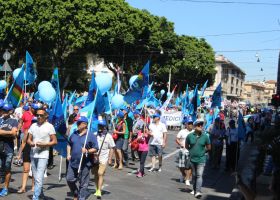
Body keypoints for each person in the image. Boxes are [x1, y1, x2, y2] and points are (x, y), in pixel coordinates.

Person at [27, 108, 57, 200]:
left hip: (44, 155)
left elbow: (54, 141)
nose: (39, 117)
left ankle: (35, 197)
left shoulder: (49, 126)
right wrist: (30, 143)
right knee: (36, 177)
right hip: (33, 154)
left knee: (39, 177)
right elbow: (28, 139)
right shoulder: (33, 125)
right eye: (37, 115)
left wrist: (45, 144)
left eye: (41, 115)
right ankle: (41, 194)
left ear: (45, 116)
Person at [67, 116, 98, 200]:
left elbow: (96, 148)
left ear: (85, 124)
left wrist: (87, 151)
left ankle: (82, 197)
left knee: (83, 183)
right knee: (69, 179)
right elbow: (69, 144)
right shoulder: (74, 133)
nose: (77, 124)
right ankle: (76, 193)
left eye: (79, 123)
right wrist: (68, 154)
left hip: (85, 163)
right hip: (73, 161)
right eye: (77, 122)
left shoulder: (90, 135)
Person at [185, 119, 211, 198]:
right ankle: (195, 189)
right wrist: (192, 151)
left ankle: (198, 191)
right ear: (195, 126)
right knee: (194, 175)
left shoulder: (205, 136)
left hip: (201, 159)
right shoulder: (189, 136)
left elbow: (209, 147)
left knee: (199, 175)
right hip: (192, 159)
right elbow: (186, 145)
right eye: (199, 125)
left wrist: (203, 152)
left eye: (201, 125)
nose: (201, 126)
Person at [16, 103, 37, 193]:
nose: (33, 124)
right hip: (27, 150)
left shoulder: (39, 131)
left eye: (35, 123)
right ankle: (23, 187)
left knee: (34, 170)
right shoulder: (27, 131)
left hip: (36, 151)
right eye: (32, 123)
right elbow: (23, 143)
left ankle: (33, 186)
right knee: (26, 169)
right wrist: (19, 154)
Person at [92, 119, 115, 198]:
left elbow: (112, 148)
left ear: (104, 127)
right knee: (95, 175)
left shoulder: (108, 136)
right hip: (95, 158)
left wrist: (110, 159)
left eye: (101, 126)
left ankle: (99, 190)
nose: (100, 127)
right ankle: (97, 188)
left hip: (103, 158)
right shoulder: (94, 134)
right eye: (99, 126)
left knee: (100, 173)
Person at [0, 104, 18, 197]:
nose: (4, 112)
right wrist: (9, 133)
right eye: (3, 110)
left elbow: (14, 134)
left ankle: (5, 188)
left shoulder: (14, 121)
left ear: (10, 111)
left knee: (7, 169)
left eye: (6, 111)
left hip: (8, 149)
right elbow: (11, 133)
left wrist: (3, 133)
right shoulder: (0, 120)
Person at [175, 117, 193, 186]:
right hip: (182, 150)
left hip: (190, 152)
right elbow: (177, 139)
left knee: (189, 167)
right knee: (181, 166)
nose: (190, 125)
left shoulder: (194, 132)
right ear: (186, 124)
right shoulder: (182, 131)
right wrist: (180, 144)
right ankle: (183, 175)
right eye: (189, 123)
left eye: (191, 123)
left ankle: (187, 179)